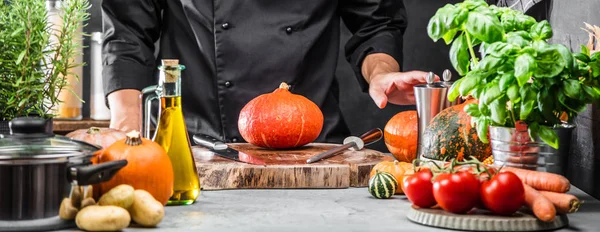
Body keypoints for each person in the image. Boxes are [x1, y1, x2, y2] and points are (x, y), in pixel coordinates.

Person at [101, 0, 437, 144]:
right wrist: (128, 130)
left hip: (315, 151)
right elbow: (128, 32)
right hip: (201, 148)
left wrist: (380, 74)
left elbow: (375, 21)